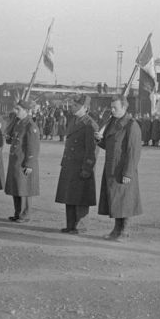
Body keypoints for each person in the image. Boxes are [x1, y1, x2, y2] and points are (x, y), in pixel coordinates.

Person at [95, 94, 142, 242]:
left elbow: (133, 151)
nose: (112, 110)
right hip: (111, 168)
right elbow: (110, 146)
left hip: (123, 169)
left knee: (124, 201)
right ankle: (116, 230)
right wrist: (99, 140)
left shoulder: (131, 125)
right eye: (111, 107)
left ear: (124, 107)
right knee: (115, 200)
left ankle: (124, 231)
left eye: (115, 108)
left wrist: (128, 173)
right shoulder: (112, 123)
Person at [55, 95, 98, 234]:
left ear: (85, 108)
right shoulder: (73, 121)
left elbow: (92, 150)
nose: (73, 107)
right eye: (73, 105)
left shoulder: (90, 125)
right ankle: (70, 224)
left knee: (80, 197)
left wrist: (87, 168)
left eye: (76, 106)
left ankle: (80, 226)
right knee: (70, 196)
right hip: (70, 164)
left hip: (81, 166)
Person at [4, 99, 40, 223]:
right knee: (17, 189)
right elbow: (10, 141)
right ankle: (18, 212)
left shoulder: (30, 125)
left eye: (18, 109)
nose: (15, 111)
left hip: (23, 162)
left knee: (24, 189)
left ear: (26, 111)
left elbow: (33, 147)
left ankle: (25, 215)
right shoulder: (18, 123)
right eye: (15, 108)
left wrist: (29, 165)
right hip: (16, 161)